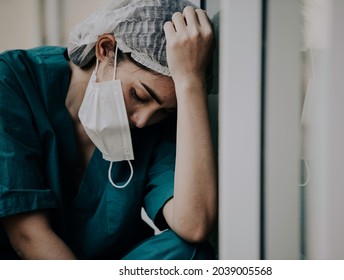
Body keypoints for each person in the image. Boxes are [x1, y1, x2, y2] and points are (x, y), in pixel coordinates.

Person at [0, 0, 217, 260]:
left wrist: (191, 82)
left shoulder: (155, 127)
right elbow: (27, 235)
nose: (143, 121)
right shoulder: (13, 82)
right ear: (105, 49)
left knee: (190, 252)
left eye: (164, 111)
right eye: (138, 95)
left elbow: (194, 224)